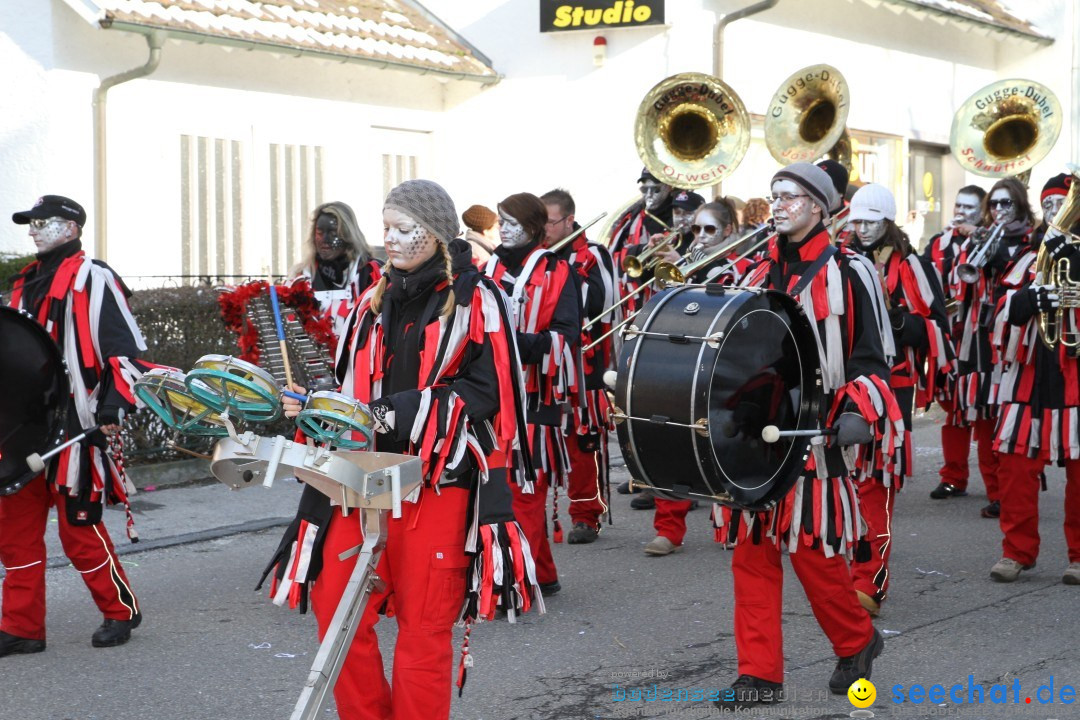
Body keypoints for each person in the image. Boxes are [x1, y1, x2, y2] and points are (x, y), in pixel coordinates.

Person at [263, 179, 540, 719]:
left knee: (423, 628)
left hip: (439, 482)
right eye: (385, 227)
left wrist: (398, 412)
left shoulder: (477, 299)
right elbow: (352, 389)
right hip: (361, 478)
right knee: (337, 609)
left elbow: (489, 394)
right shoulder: (374, 297)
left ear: (435, 235)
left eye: (402, 229)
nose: (387, 239)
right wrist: (320, 407)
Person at [713, 164, 900, 709]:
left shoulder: (853, 270)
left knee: (813, 554)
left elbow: (874, 356)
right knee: (750, 553)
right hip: (754, 434)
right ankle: (759, 675)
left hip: (815, 430)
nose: (778, 205)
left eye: (790, 196)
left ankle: (857, 640)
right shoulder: (752, 271)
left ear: (820, 207)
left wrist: (859, 411)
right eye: (773, 196)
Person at [2, 195, 147, 655]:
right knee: (15, 531)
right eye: (30, 223)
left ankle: (121, 610)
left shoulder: (94, 277)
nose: (33, 230)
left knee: (80, 530)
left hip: (76, 426)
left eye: (42, 222)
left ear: (71, 228)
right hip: (25, 428)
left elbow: (127, 353)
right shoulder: (24, 286)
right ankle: (22, 628)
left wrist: (110, 407)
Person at [846, 183, 952, 615]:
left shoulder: (913, 266)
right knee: (841, 480)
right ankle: (840, 569)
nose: (863, 229)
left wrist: (898, 321)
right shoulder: (839, 260)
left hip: (893, 384)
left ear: (887, 222)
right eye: (856, 221)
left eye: (871, 221)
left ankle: (869, 581)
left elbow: (939, 331)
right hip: (844, 382)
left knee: (877, 482)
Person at [640, 198, 751, 556]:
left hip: (726, 365)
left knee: (728, 446)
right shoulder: (683, 261)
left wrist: (696, 272)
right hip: (683, 362)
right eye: (696, 229)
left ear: (728, 231)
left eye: (709, 230)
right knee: (671, 441)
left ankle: (736, 524)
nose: (700, 237)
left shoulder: (742, 266)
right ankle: (669, 529)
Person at [484, 192, 581, 594]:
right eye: (500, 221)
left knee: (525, 492)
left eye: (513, 222)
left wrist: (514, 342)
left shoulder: (558, 271)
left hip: (534, 396)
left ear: (535, 227)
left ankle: (522, 580)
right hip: (492, 395)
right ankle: (540, 572)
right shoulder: (485, 267)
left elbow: (566, 337)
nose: (504, 229)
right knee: (496, 489)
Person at [990, 173, 1080, 585]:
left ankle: (1079, 556)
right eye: (1048, 204)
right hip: (1029, 376)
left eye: (1063, 202)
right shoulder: (1029, 256)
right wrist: (1031, 297)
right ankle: (1017, 551)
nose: (1054, 211)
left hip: (1075, 376)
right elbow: (1000, 315)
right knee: (1014, 467)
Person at [944, 179, 1034, 519]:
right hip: (979, 341)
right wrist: (973, 250)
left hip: (1015, 343)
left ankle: (1015, 489)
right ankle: (996, 492)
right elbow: (957, 283)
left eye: (1007, 203)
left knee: (1008, 421)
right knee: (982, 419)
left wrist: (1002, 260)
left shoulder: (1034, 244)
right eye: (994, 204)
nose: (999, 210)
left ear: (1021, 205)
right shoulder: (979, 240)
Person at [540, 189, 617, 545]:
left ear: (569, 220)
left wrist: (563, 276)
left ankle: (585, 514)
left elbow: (605, 304)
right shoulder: (536, 256)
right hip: (544, 359)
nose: (543, 228)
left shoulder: (594, 255)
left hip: (583, 360)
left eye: (549, 221)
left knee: (582, 442)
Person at [922, 186, 988, 504]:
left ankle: (999, 488)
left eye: (970, 207)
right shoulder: (938, 243)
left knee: (985, 412)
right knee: (954, 409)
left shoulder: (991, 241)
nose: (961, 211)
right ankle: (953, 478)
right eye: (958, 204)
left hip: (982, 336)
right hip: (949, 336)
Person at [290, 201, 381, 340]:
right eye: (320, 232)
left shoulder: (370, 274)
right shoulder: (300, 276)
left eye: (333, 233)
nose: (325, 240)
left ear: (348, 235)